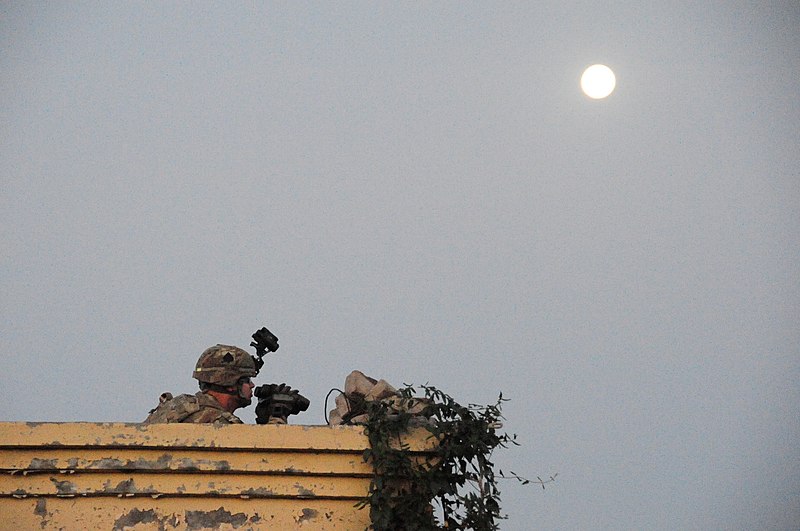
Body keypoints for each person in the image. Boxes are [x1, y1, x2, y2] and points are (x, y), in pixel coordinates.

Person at [143, 344, 257, 424]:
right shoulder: (221, 422)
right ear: (230, 384)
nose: (252, 385)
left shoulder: (178, 407)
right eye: (247, 380)